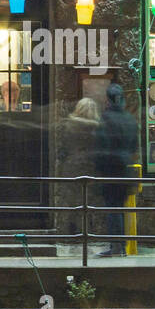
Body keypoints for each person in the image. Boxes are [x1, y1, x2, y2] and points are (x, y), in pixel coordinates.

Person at [94, 83, 139, 256]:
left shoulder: (106, 119)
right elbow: (134, 146)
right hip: (125, 168)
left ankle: (117, 246)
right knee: (119, 208)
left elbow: (101, 145)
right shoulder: (129, 119)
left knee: (112, 209)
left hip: (110, 169)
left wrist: (98, 165)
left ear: (108, 99)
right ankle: (120, 246)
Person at [58, 97, 100, 240]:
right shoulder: (97, 127)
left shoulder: (69, 125)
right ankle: (89, 229)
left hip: (72, 164)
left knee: (72, 198)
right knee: (89, 199)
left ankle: (72, 228)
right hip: (91, 165)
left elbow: (63, 146)